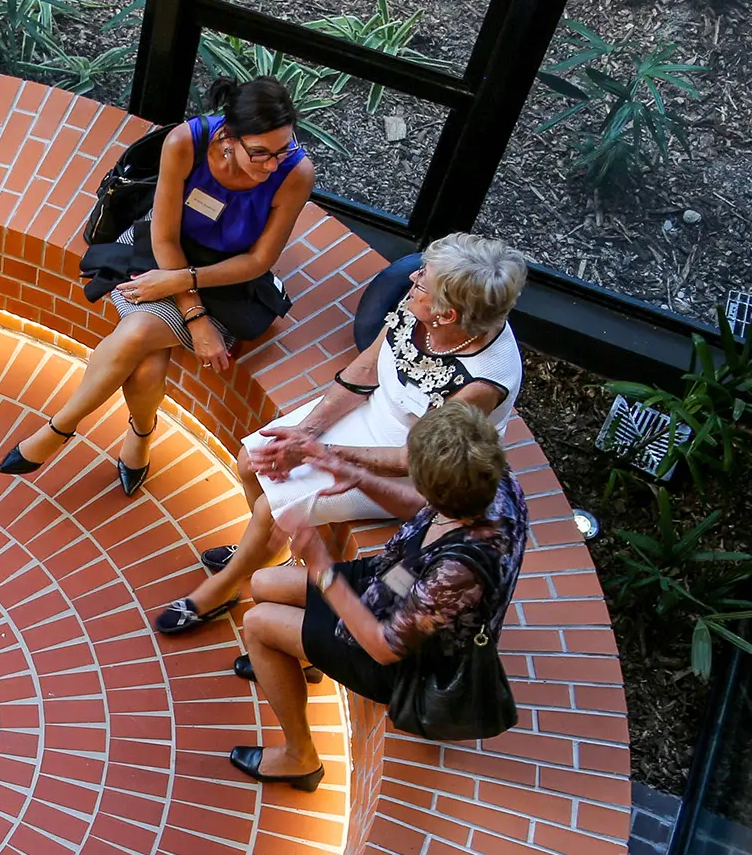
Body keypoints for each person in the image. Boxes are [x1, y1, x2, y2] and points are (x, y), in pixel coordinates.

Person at [152, 232, 528, 636]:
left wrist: (318, 452)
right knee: (250, 462)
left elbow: (412, 457)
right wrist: (303, 433)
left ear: (447, 314)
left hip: (415, 468)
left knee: (272, 508)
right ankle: (265, 551)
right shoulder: (422, 304)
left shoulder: (482, 382)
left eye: (421, 281)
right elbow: (367, 369)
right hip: (375, 410)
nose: (412, 279)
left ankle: (221, 590)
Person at [0, 78, 315, 496]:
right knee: (146, 358)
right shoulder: (186, 142)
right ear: (228, 136)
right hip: (158, 254)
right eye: (260, 152)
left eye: (283, 149)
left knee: (137, 336)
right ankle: (140, 436)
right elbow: (164, 237)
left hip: (226, 279)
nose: (272, 164)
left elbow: (258, 261)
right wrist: (193, 315)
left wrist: (191, 293)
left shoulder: (296, 173)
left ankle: (60, 428)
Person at [220, 401, 526, 790]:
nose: (404, 465)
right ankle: (307, 659)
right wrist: (355, 475)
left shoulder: (458, 572)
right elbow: (427, 509)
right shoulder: (489, 479)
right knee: (265, 583)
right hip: (398, 579)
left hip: (411, 660)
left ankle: (300, 757)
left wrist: (322, 566)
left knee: (258, 625)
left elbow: (384, 646)